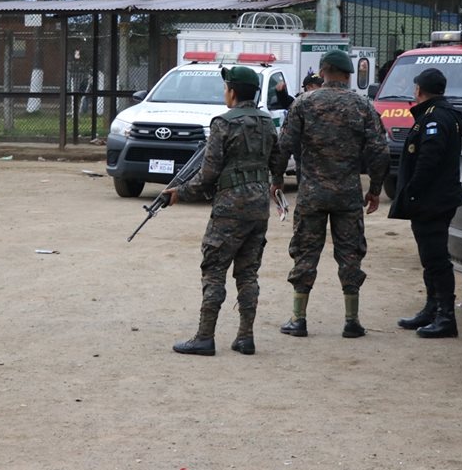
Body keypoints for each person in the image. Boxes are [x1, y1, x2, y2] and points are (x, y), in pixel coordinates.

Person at [270, 50, 389, 338]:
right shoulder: (362, 105)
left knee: (305, 252)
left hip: (312, 193)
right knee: (350, 255)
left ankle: (298, 319)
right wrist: (374, 189)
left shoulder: (304, 103)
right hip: (348, 195)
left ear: (323, 70)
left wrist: (276, 181)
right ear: (349, 75)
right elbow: (380, 151)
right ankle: (351, 321)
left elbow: (283, 146)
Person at [165, 65, 282, 356]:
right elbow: (278, 161)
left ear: (231, 91)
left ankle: (204, 337)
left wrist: (181, 193)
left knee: (214, 269)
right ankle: (246, 337)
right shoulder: (267, 122)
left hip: (230, 208)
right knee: (248, 272)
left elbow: (208, 174)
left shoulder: (223, 123)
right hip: (258, 207)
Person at [388, 67, 462, 338]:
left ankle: (446, 316)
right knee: (429, 256)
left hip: (433, 200)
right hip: (435, 198)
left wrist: (412, 192)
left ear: (419, 90)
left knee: (436, 258)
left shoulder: (435, 118)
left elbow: (428, 160)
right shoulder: (441, 114)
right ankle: (432, 308)